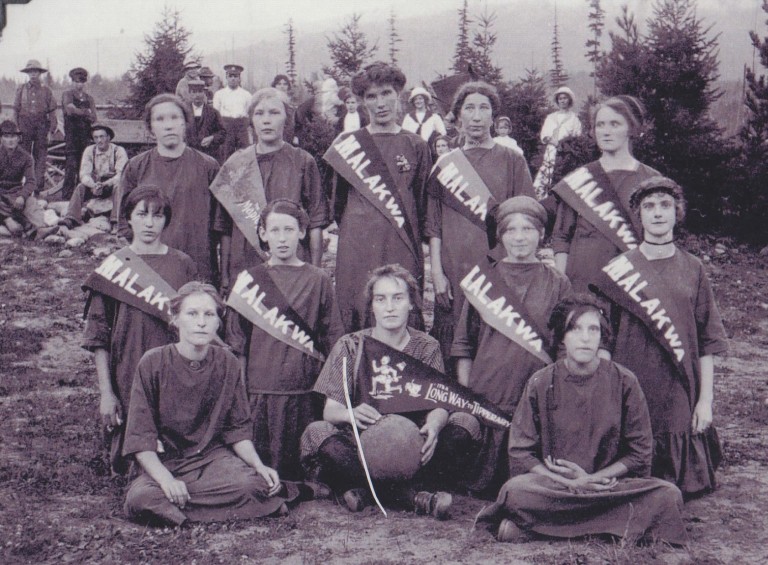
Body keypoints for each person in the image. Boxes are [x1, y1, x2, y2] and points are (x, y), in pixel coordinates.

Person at [475, 294, 688, 546]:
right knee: (515, 491)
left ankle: (540, 531)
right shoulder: (541, 382)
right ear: (562, 336)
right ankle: (610, 530)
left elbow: (640, 453)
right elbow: (521, 453)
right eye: (575, 329)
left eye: (593, 329)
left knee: (667, 495)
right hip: (556, 488)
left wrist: (591, 481)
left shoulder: (624, 381)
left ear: (602, 336)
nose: (585, 338)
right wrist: (569, 482)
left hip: (607, 489)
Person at [122, 282, 304, 526]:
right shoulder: (153, 362)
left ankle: (180, 513)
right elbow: (140, 437)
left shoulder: (227, 362)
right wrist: (166, 480)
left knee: (253, 484)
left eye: (209, 314)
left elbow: (237, 429)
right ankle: (228, 509)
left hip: (213, 462)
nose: (201, 322)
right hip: (167, 462)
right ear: (175, 319)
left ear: (218, 322)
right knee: (141, 497)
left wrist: (258, 465)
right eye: (192, 313)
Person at [592, 176, 729, 498]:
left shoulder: (693, 268)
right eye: (649, 206)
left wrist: (705, 401)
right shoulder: (618, 269)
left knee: (683, 488)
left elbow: (707, 341)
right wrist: (605, 395)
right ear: (638, 216)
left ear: (677, 212)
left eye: (665, 205)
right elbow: (604, 341)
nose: (657, 213)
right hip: (631, 382)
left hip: (679, 386)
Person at [300, 264, 458, 518]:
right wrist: (351, 413)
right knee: (316, 432)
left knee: (465, 423)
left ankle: (366, 492)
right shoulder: (350, 345)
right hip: (363, 447)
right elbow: (331, 410)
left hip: (413, 445)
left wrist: (435, 426)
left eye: (398, 298)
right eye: (381, 299)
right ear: (372, 305)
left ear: (411, 304)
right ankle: (411, 497)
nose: (390, 306)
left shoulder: (427, 346)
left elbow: (440, 403)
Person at [450, 196, 571, 496]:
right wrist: (469, 396)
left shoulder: (558, 283)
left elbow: (564, 346)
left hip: (536, 398)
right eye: (511, 229)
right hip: (488, 397)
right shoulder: (483, 280)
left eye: (528, 229)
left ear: (541, 234)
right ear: (500, 234)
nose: (519, 237)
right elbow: (464, 344)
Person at [81, 186, 197, 474]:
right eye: (141, 214)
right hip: (128, 371)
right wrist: (107, 393)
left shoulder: (183, 264)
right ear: (129, 219)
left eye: (157, 216)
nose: (149, 223)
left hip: (174, 373)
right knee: (129, 464)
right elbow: (99, 337)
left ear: (166, 221)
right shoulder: (115, 267)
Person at [226, 199, 344, 480]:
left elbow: (334, 339)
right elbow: (237, 343)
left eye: (289, 230)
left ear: (302, 232)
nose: (282, 238)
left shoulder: (319, 280)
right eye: (274, 230)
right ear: (263, 234)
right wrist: (241, 392)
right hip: (261, 392)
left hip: (305, 392)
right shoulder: (249, 280)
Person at [426, 82, 535, 367]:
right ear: (458, 115)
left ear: (494, 116)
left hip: (498, 266)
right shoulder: (444, 165)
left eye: (483, 108)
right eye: (469, 108)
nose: (476, 116)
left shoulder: (512, 160)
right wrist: (437, 272)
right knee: (454, 344)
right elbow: (434, 226)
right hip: (454, 267)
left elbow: (527, 216)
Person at [325, 62, 432, 332]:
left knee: (402, 304)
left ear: (399, 95)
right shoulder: (346, 144)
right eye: (371, 96)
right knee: (357, 305)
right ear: (361, 102)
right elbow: (338, 202)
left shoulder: (416, 144)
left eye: (386, 93)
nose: (380, 103)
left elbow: (421, 199)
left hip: (402, 240)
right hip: (358, 243)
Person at [212, 87, 330, 293]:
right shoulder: (235, 164)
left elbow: (316, 222)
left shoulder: (302, 161)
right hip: (245, 265)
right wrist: (224, 279)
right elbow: (225, 228)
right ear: (251, 120)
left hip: (292, 266)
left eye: (274, 112)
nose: (266, 120)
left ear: (287, 117)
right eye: (259, 113)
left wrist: (316, 273)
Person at [552, 95, 659, 293]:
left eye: (615, 124)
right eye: (600, 125)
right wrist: (563, 287)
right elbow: (561, 237)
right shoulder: (580, 179)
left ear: (631, 128)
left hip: (633, 284)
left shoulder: (651, 180)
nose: (606, 132)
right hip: (582, 282)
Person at [116, 94, 221, 283]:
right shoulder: (136, 167)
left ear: (185, 123)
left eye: (175, 118)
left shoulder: (208, 166)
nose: (169, 125)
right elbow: (124, 223)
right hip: (151, 272)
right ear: (150, 128)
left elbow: (220, 224)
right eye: (160, 119)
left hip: (198, 268)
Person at [58, 124, 128, 229]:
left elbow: (121, 174)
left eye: (102, 136)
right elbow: (84, 173)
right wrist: (93, 185)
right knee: (80, 187)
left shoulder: (118, 151)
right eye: (96, 137)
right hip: (95, 185)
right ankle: (71, 218)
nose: (99, 140)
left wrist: (106, 184)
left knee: (119, 186)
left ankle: (115, 221)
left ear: (108, 137)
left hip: (111, 185)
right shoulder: (90, 150)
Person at [0, 119, 54, 238]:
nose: (10, 140)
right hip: (0, 194)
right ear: (1, 139)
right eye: (7, 136)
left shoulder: (26, 157)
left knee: (31, 202)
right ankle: (9, 220)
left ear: (18, 138)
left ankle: (40, 229)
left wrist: (22, 196)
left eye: (14, 136)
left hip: (16, 193)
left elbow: (30, 181)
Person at [13, 59, 57, 193]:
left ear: (40, 73)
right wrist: (17, 129)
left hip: (41, 126)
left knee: (40, 157)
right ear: (27, 73)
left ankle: (38, 189)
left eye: (36, 71)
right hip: (24, 125)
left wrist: (51, 131)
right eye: (30, 72)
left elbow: (52, 112)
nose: (33, 74)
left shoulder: (47, 90)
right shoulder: (21, 89)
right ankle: (21, 187)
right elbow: (16, 110)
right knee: (23, 155)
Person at [532, 86, 582, 200]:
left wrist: (565, 143)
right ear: (557, 101)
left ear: (569, 100)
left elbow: (577, 135)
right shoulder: (551, 118)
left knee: (562, 173)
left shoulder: (574, 118)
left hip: (566, 150)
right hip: (551, 149)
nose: (562, 100)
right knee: (547, 171)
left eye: (565, 98)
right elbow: (544, 134)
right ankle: (542, 196)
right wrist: (551, 141)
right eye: (560, 98)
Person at [61, 67, 96, 200]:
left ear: (84, 83)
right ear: (72, 82)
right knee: (71, 166)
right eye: (76, 81)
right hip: (71, 137)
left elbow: (94, 118)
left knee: (84, 166)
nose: (78, 84)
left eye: (81, 82)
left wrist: (81, 112)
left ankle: (83, 196)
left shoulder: (89, 98)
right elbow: (69, 110)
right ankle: (66, 196)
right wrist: (85, 112)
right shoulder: (67, 94)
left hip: (85, 137)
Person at [213, 64, 252, 161]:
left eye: (235, 76)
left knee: (244, 154)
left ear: (239, 78)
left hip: (241, 127)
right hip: (226, 127)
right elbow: (216, 114)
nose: (233, 79)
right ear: (226, 77)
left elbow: (249, 112)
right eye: (230, 76)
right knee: (226, 154)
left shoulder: (246, 95)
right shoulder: (219, 94)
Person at [185, 79, 226, 162]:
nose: (197, 95)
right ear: (189, 93)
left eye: (200, 91)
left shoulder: (213, 112)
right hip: (188, 157)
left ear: (204, 93)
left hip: (209, 156)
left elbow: (223, 133)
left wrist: (212, 138)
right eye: (194, 92)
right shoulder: (183, 112)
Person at [401, 86, 447, 152]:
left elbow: (443, 134)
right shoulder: (408, 117)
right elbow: (403, 136)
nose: (418, 101)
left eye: (420, 98)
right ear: (413, 102)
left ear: (425, 100)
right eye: (416, 99)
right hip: (413, 150)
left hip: (430, 151)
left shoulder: (434, 117)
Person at [271, 74, 297, 144]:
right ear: (274, 86)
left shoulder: (291, 102)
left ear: (288, 86)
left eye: (285, 84)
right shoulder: (271, 101)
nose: (282, 86)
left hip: (289, 133)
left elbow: (295, 121)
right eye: (279, 84)